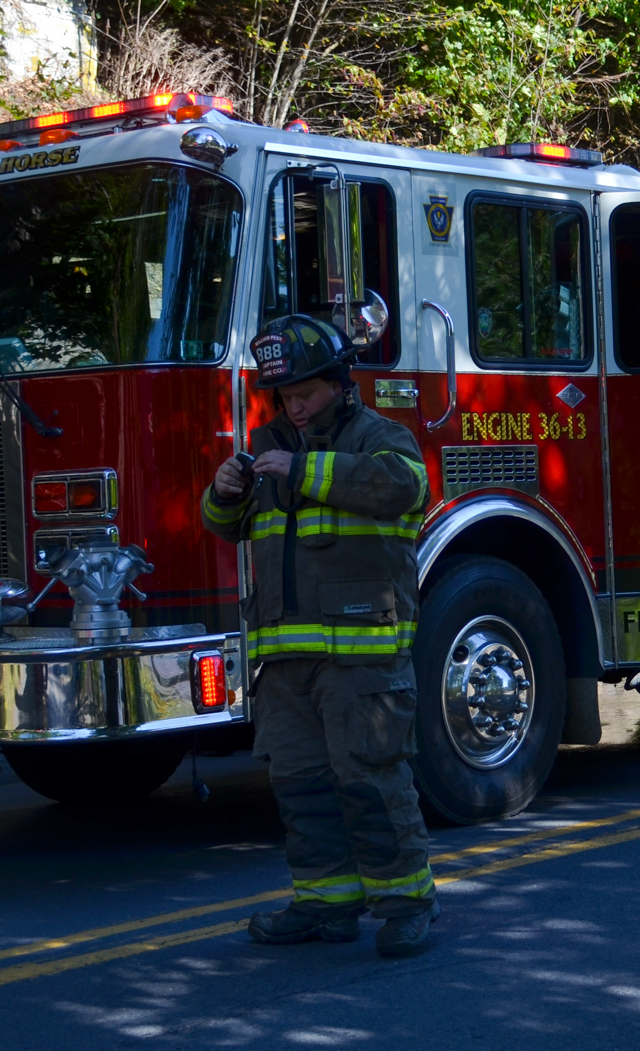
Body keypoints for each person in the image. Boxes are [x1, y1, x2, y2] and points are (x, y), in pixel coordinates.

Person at [202, 314, 438, 957]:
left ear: (338, 383)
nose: (294, 407)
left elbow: (402, 488)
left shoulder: (381, 438)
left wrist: (303, 470)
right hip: (284, 661)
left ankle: (407, 904)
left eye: (305, 393)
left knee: (370, 779)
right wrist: (223, 492)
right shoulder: (268, 445)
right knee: (301, 785)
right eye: (284, 397)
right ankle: (326, 904)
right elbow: (225, 525)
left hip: (363, 657)